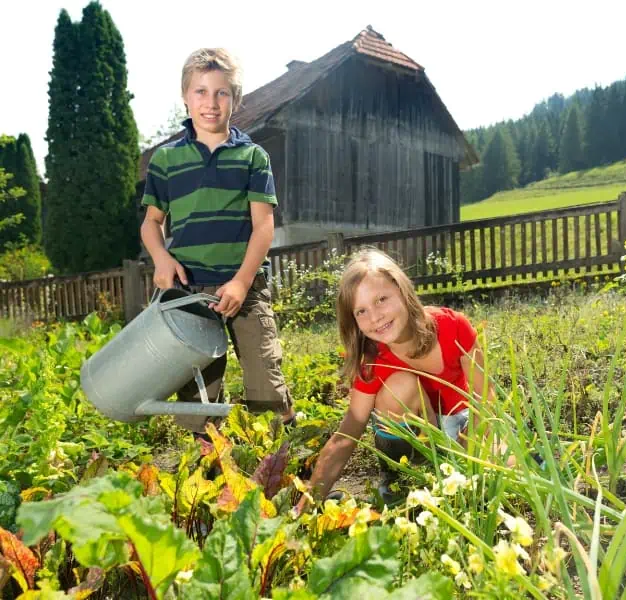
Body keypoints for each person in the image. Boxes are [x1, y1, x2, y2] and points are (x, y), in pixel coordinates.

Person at [140, 48, 294, 433]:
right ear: (186, 97)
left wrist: (242, 281)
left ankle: (282, 451)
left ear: (235, 99)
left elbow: (263, 227)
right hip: (189, 291)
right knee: (197, 394)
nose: (211, 103)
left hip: (244, 287)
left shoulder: (252, 157)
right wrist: (160, 258)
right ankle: (208, 467)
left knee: (265, 381)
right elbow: (151, 223)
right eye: (201, 92)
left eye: (221, 93)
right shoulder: (166, 160)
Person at [296, 248, 508, 510]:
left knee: (507, 467)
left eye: (381, 299)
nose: (375, 317)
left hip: (463, 426)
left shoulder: (454, 326)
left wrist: (466, 446)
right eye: (360, 311)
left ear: (401, 289)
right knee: (401, 385)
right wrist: (309, 500)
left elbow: (485, 397)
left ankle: (450, 479)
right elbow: (347, 434)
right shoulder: (372, 362)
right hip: (411, 445)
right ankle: (405, 480)